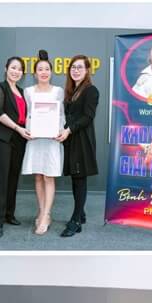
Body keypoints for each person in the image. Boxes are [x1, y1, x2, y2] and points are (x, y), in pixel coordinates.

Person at [21, 51, 66, 235]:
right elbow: (28, 115)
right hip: (35, 139)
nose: (44, 72)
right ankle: (41, 211)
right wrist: (28, 129)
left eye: (47, 69)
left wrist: (60, 130)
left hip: (52, 140)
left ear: (51, 72)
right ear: (35, 73)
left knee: (49, 176)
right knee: (38, 176)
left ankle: (46, 215)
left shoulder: (58, 91)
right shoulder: (28, 91)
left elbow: (61, 114)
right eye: (40, 69)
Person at [58, 56, 99, 237]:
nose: (75, 70)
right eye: (73, 67)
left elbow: (88, 116)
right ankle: (80, 214)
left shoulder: (91, 90)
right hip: (71, 139)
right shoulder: (71, 91)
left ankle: (75, 221)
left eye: (80, 67)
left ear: (87, 70)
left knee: (80, 179)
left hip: (82, 140)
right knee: (75, 178)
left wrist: (68, 130)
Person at [0, 57, 30, 238]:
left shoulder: (22, 91)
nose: (16, 71)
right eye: (13, 68)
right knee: (1, 180)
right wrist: (18, 128)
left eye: (19, 69)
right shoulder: (0, 87)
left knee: (13, 178)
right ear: (6, 69)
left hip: (20, 140)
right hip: (3, 138)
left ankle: (9, 214)